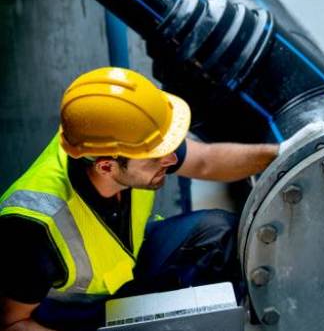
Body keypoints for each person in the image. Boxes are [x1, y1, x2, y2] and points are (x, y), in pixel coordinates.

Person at [0, 67, 281, 331]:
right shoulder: (33, 231)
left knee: (216, 234)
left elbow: (205, 161)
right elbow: (12, 324)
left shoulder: (119, 137)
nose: (171, 160)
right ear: (107, 166)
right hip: (77, 315)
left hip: (129, 268)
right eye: (157, 156)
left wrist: (280, 153)